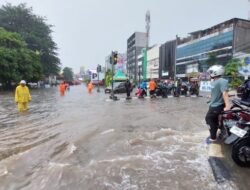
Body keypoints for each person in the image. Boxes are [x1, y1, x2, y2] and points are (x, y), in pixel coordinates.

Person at [205, 65, 230, 142]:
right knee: (215, 120)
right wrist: (211, 97)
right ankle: (216, 132)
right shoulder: (214, 81)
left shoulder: (222, 81)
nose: (210, 74)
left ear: (216, 72)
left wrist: (228, 105)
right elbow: (217, 92)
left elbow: (224, 93)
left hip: (217, 106)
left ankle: (213, 138)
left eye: (211, 72)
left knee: (208, 119)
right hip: (213, 105)